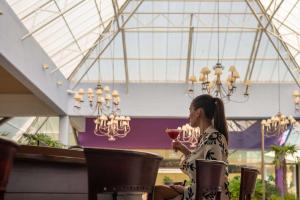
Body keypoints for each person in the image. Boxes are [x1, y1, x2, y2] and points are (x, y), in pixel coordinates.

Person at [154, 94, 230, 200]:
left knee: (156, 193)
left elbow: (212, 180)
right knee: (157, 191)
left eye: (190, 111)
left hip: (207, 196)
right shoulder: (207, 138)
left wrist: (187, 189)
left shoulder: (213, 138)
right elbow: (202, 169)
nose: (188, 116)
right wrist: (185, 150)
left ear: (198, 112)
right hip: (200, 193)